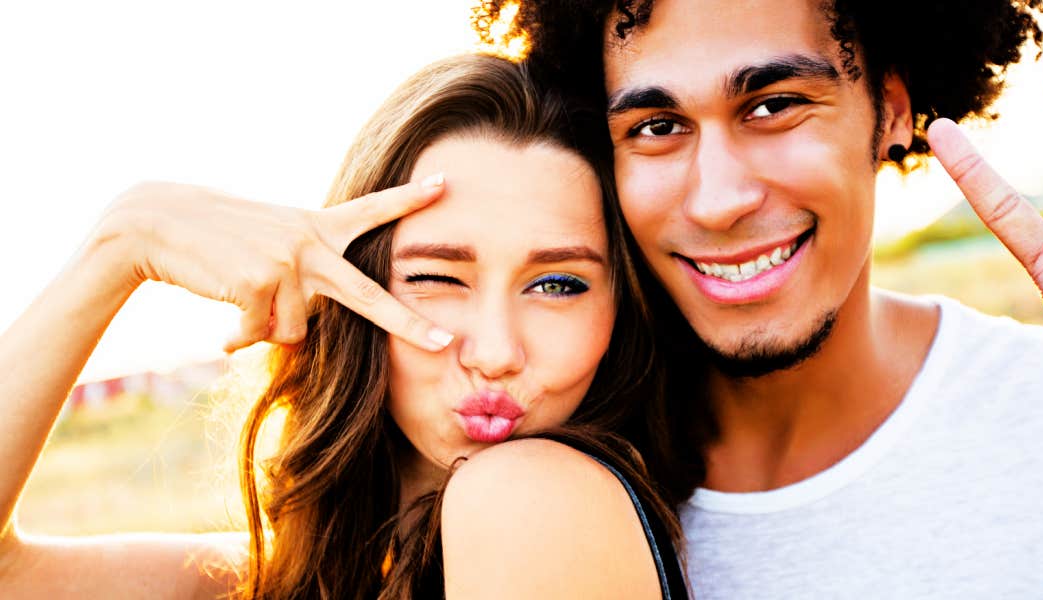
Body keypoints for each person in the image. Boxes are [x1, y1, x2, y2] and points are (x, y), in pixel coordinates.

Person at [484, 0, 1043, 597]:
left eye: (774, 105)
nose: (717, 200)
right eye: (657, 127)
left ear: (890, 111)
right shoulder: (543, 472)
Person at [0, 53, 688, 598]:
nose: (496, 352)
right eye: (437, 279)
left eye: (557, 284)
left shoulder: (529, 497)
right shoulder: (285, 577)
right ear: (346, 283)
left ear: (619, 314)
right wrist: (121, 243)